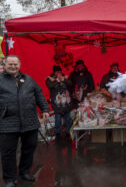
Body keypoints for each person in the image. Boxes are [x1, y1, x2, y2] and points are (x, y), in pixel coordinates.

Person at [0, 55, 49, 187]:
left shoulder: (28, 79)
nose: (13, 66)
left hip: (30, 121)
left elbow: (39, 94)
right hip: (7, 122)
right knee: (8, 153)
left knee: (29, 149)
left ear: (20, 64)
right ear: (5, 64)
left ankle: (24, 172)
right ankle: (10, 179)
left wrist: (45, 109)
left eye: (15, 64)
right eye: (10, 64)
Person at [46, 65, 72, 137]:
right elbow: (50, 86)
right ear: (54, 72)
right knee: (57, 117)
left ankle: (68, 131)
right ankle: (57, 132)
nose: (59, 73)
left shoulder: (64, 77)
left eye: (60, 71)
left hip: (66, 102)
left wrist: (63, 79)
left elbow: (70, 84)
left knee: (67, 117)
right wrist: (57, 81)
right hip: (57, 102)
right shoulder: (50, 79)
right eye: (57, 72)